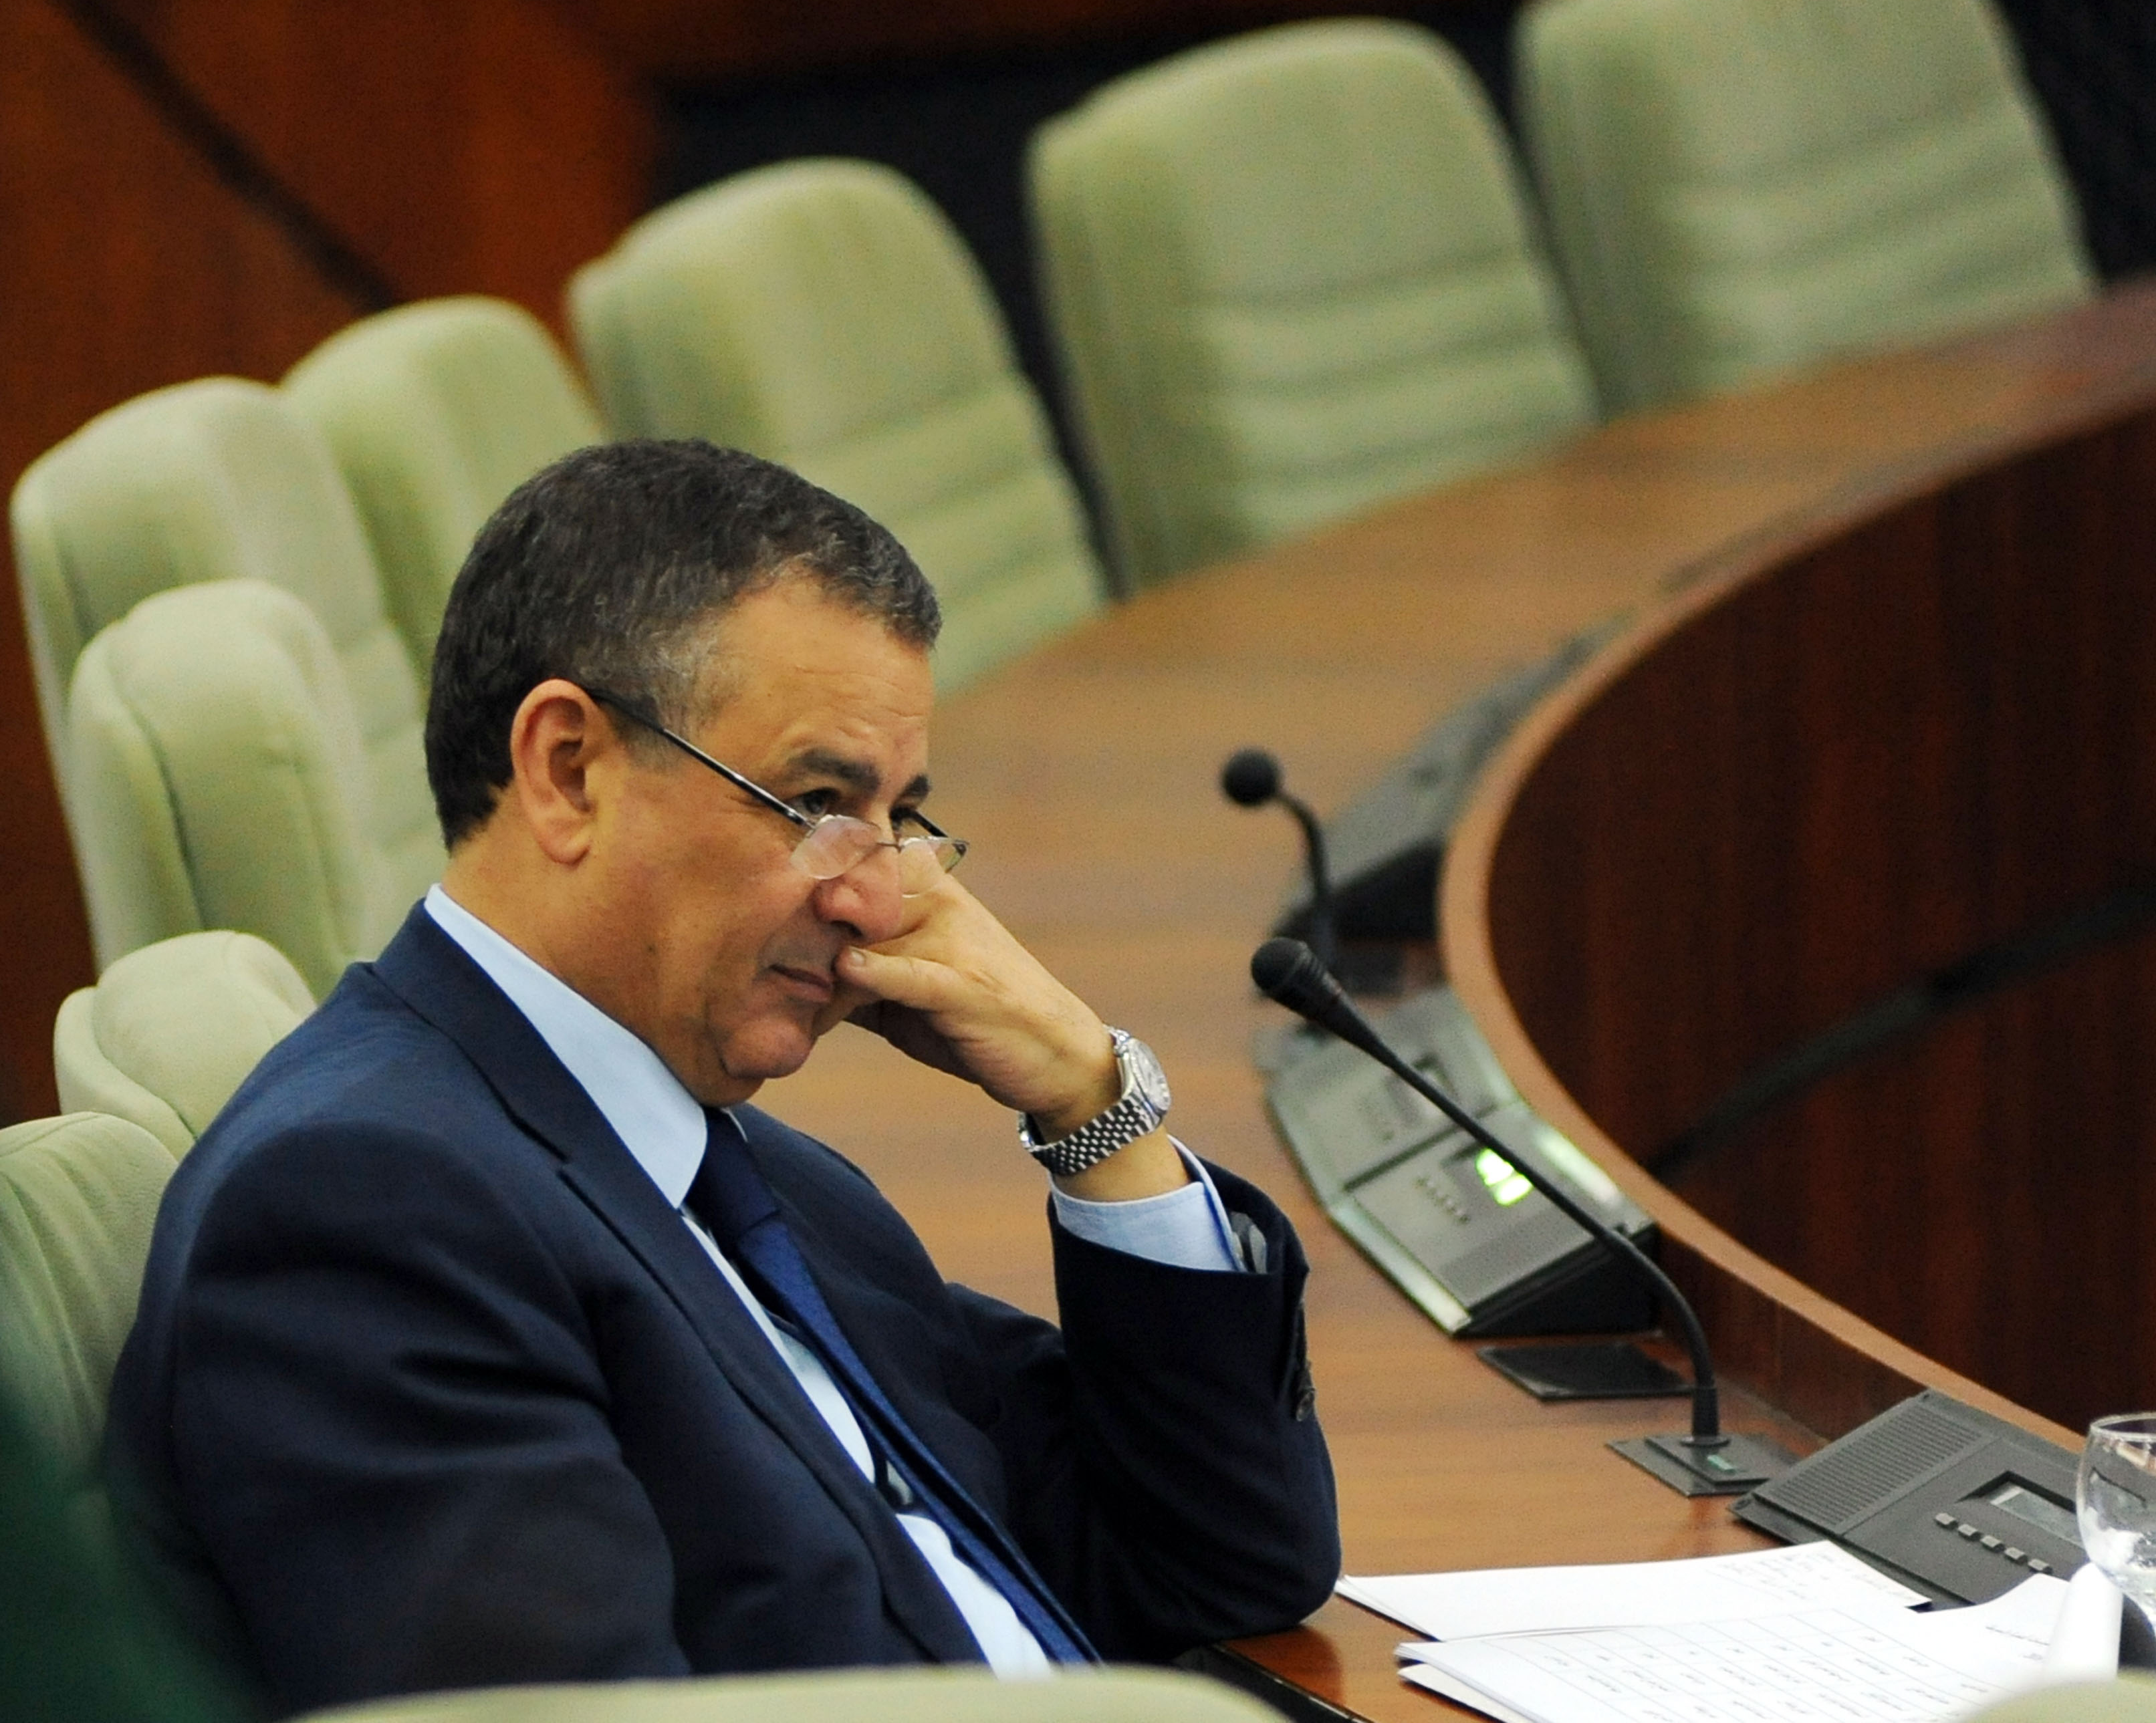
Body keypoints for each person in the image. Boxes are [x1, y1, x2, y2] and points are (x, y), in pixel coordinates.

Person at [105, 440, 1340, 1715]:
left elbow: (1224, 1563)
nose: (876, 896)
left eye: (900, 819)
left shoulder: (757, 1178)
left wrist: (1095, 1109)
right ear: (568, 770)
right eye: (817, 801)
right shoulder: (366, 1211)